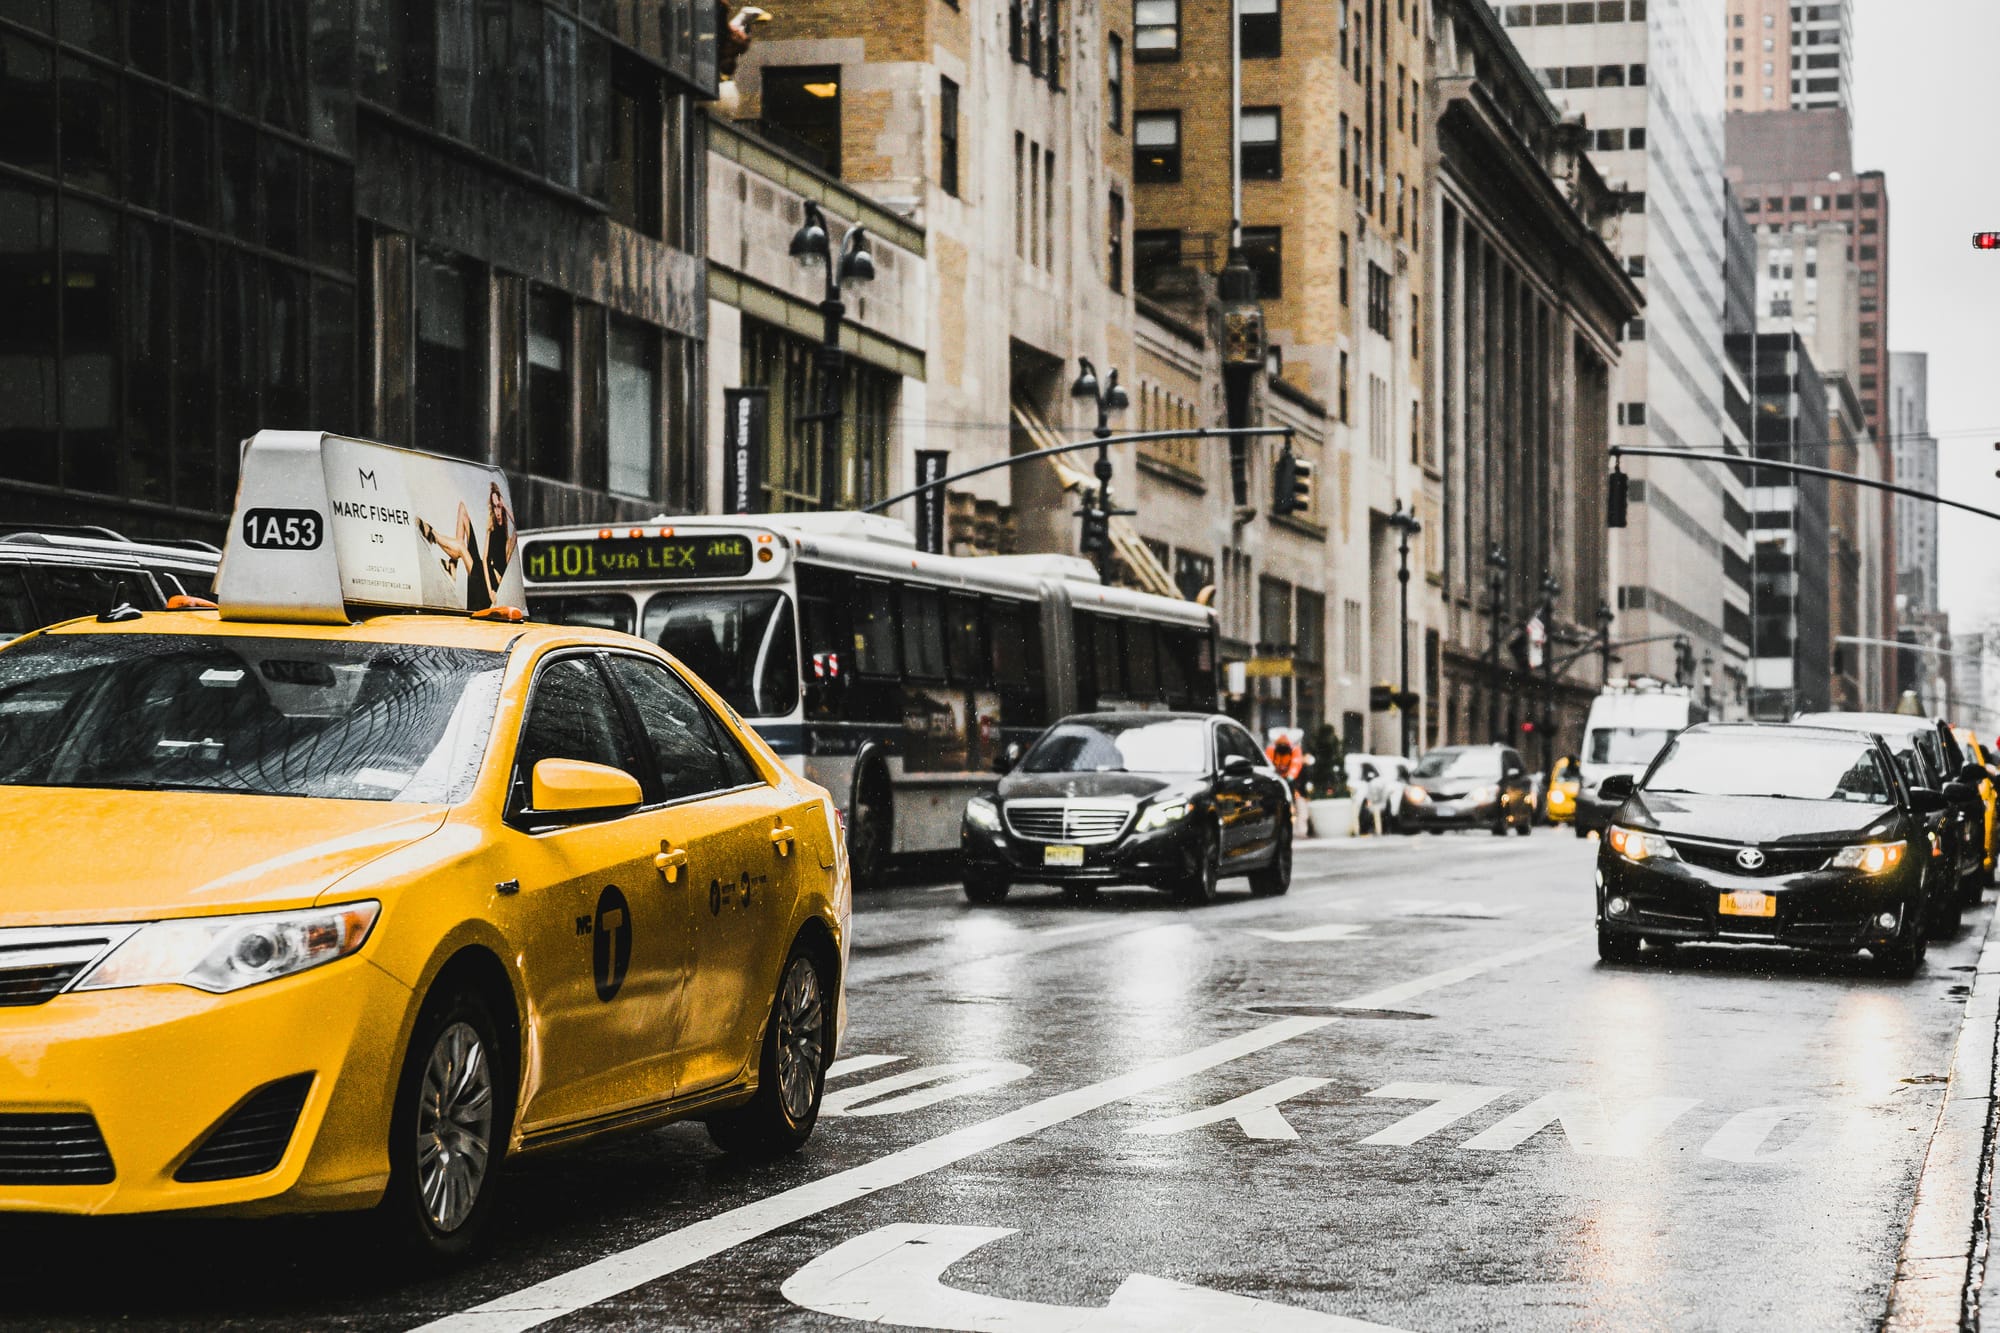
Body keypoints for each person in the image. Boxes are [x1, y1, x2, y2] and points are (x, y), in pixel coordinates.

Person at [417, 482, 516, 613]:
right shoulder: (490, 528)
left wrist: (491, 591)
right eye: (494, 507)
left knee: (461, 547)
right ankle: (453, 564)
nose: (497, 511)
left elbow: (516, 528)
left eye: (499, 507)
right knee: (462, 509)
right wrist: (489, 588)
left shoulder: (508, 542)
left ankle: (433, 534)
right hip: (483, 572)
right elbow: (485, 561)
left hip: (486, 587)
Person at [1267, 732, 1309, 832]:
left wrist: (1290, 777)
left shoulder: (1295, 750)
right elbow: (1268, 763)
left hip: (1291, 781)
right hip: (1275, 780)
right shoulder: (1271, 750)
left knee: (1295, 801)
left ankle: (1298, 827)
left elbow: (1296, 764)